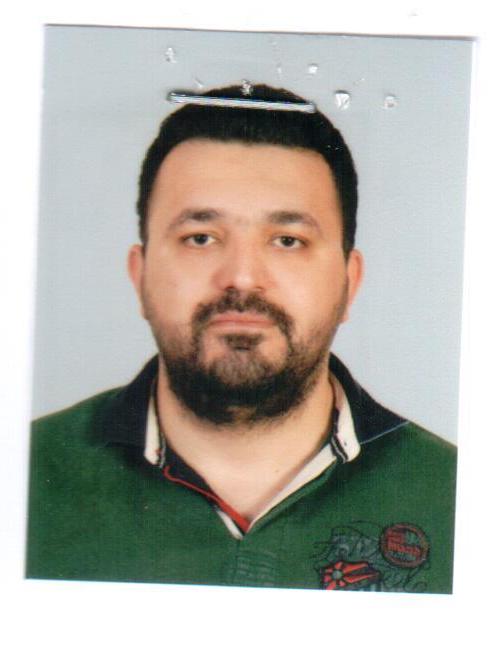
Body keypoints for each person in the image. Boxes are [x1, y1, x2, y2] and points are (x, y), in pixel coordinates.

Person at [26, 84, 456, 593]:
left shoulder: (458, 494)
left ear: (349, 283)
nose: (243, 278)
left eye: (288, 241)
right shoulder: (25, 471)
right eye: (201, 238)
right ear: (140, 277)